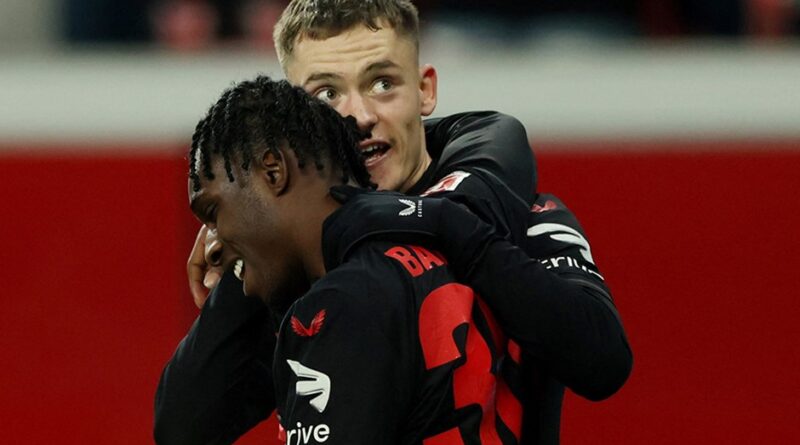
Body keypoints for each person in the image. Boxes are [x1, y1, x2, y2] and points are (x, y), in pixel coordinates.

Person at [154, 1, 632, 444]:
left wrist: (433, 219)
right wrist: (245, 238)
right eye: (327, 93)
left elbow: (603, 362)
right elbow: (183, 425)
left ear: (425, 90)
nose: (359, 116)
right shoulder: (292, 258)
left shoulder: (523, 212)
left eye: (382, 83)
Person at [186, 75, 524, 442]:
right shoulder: (432, 258)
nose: (211, 245)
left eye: (213, 212)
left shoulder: (342, 302)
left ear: (273, 171)